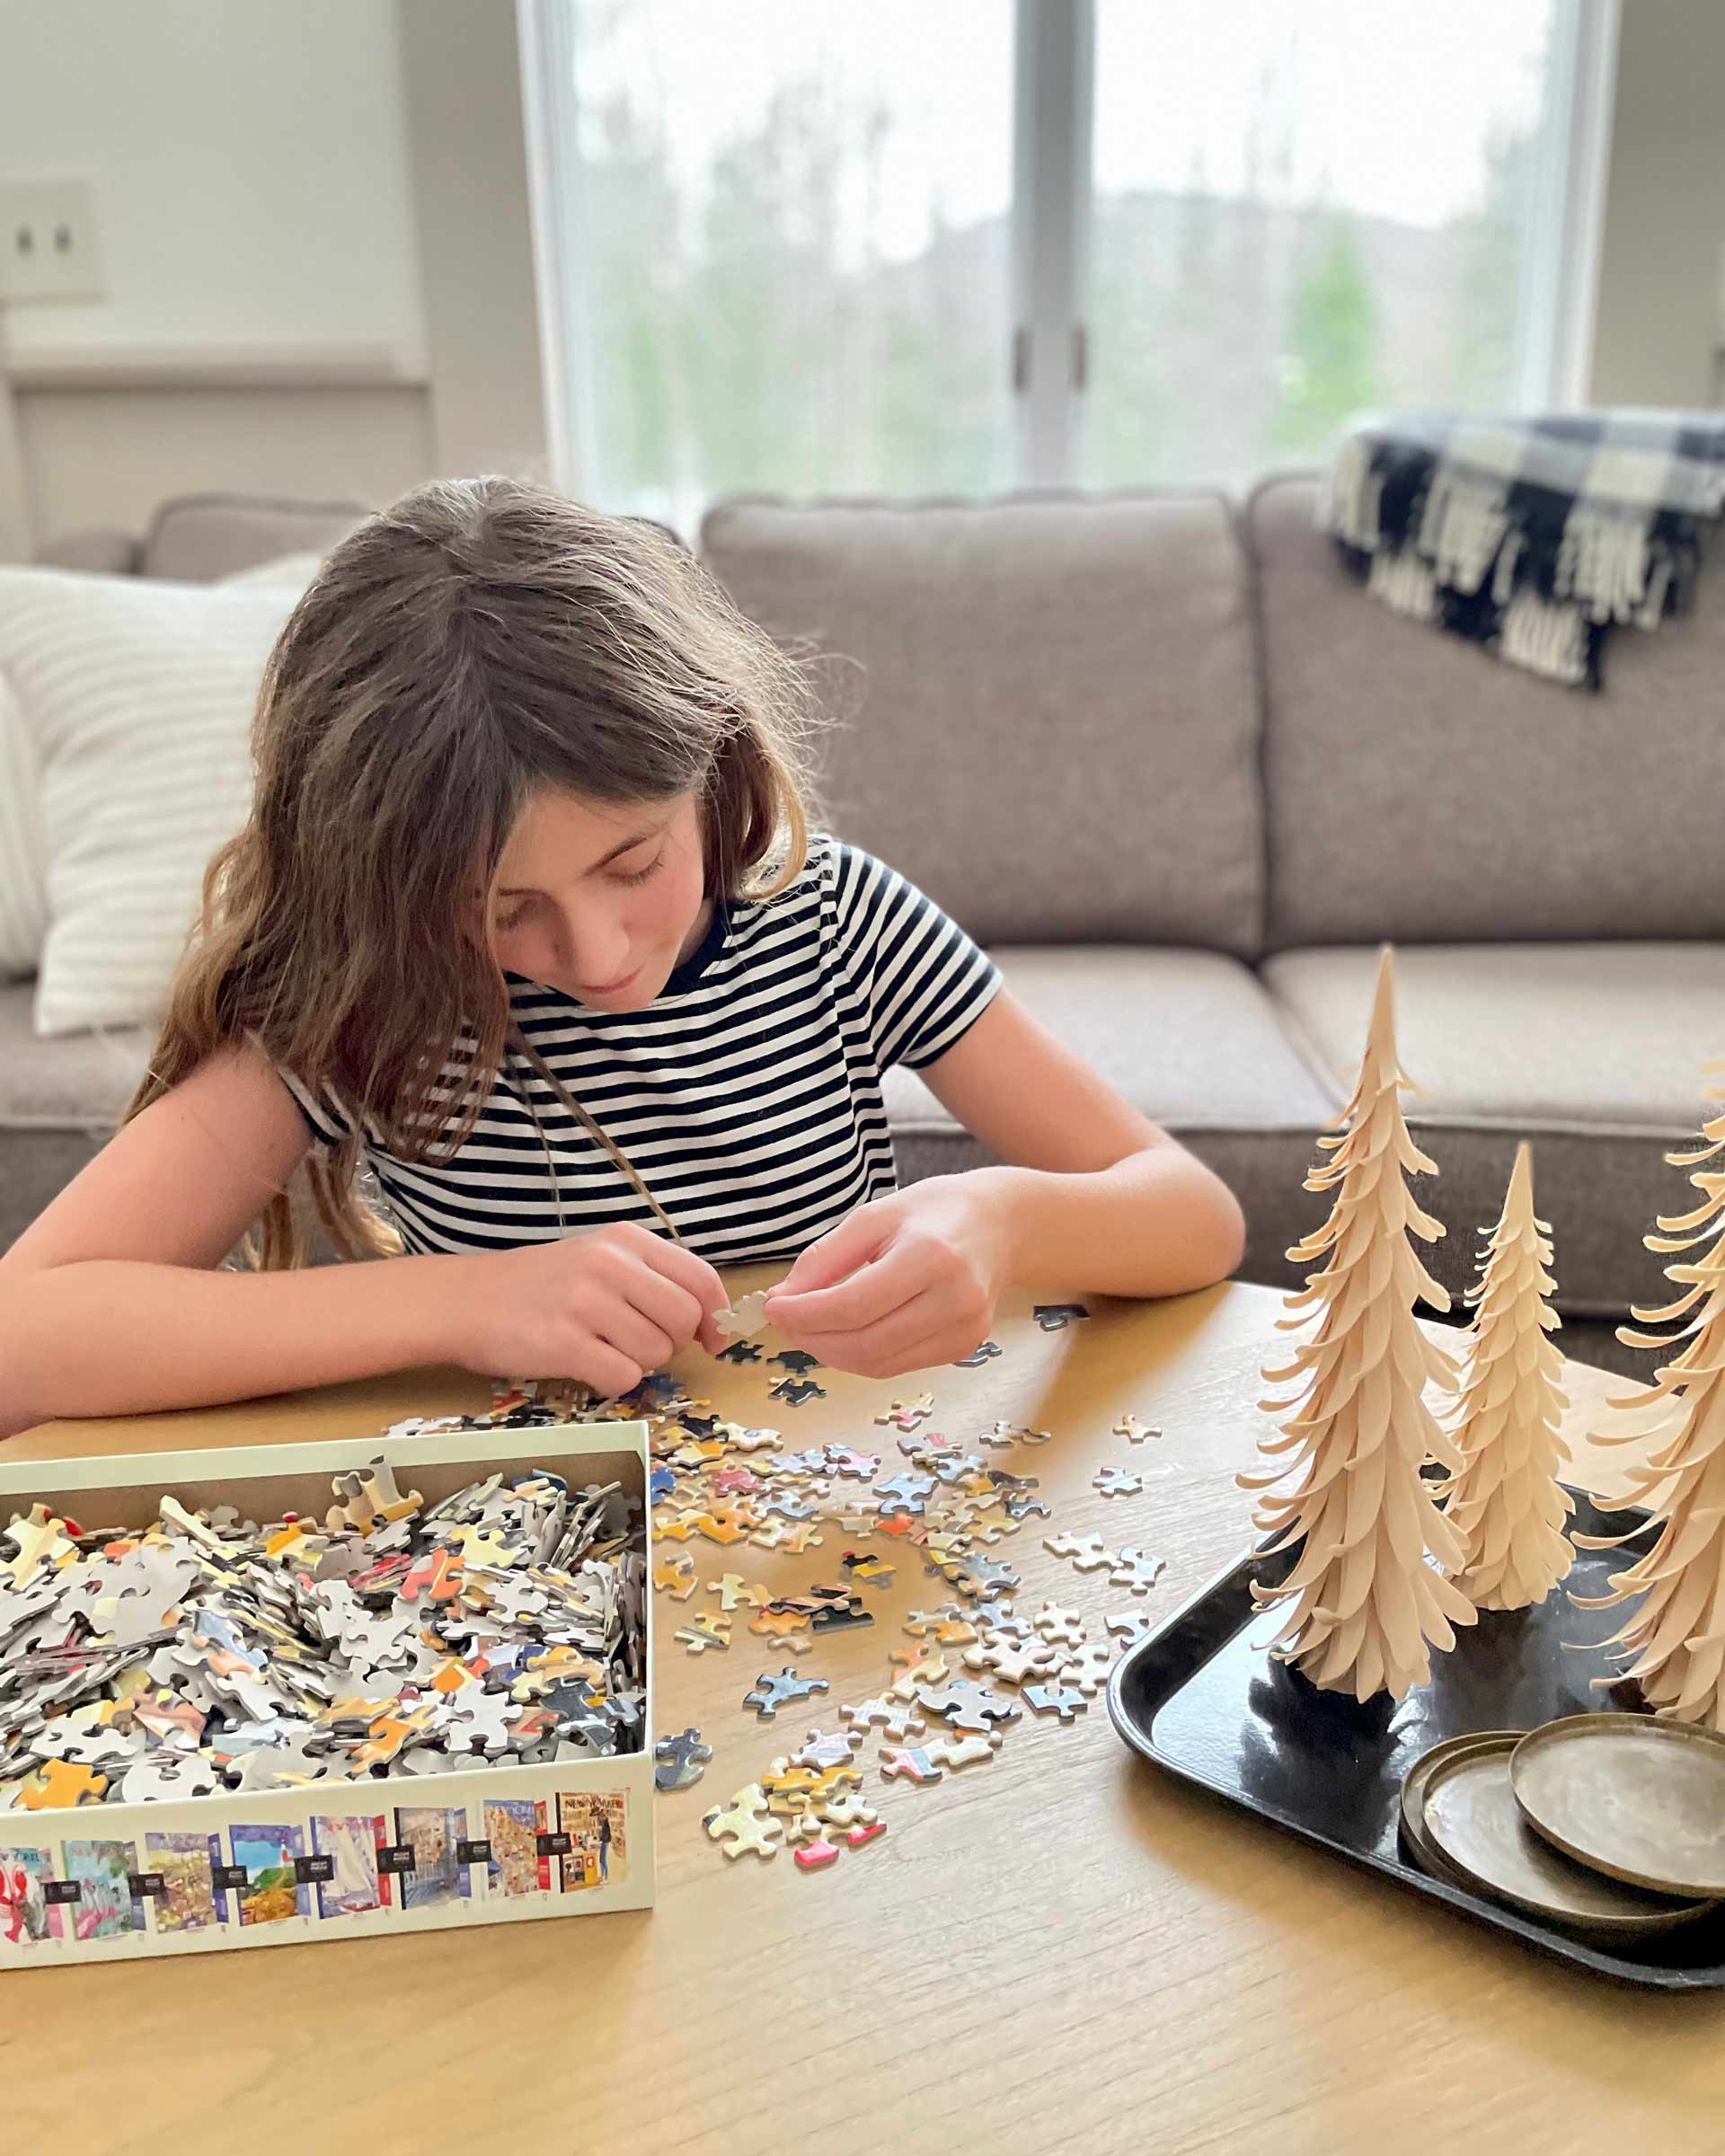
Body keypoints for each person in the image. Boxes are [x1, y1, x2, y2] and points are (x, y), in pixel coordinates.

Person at [0, 478, 1244, 1437]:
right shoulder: (361, 997)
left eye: (633, 863)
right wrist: (465, 1303)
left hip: (839, 1511)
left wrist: (1003, 1221)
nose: (595, 956)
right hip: (524, 1567)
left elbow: (1192, 1217)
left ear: (715, 766)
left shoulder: (839, 920)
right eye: (500, 910)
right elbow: (18, 1339)